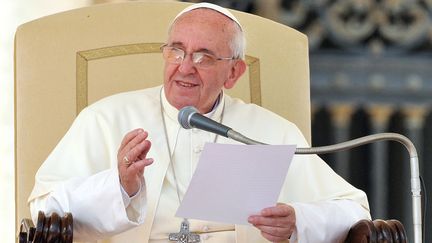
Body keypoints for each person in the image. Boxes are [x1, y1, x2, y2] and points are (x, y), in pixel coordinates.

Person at [28, 2, 370, 243]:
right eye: (176, 51)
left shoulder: (270, 131)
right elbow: (45, 210)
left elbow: (353, 211)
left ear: (234, 72)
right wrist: (118, 187)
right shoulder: (106, 118)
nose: (185, 67)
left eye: (204, 57)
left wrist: (299, 220)